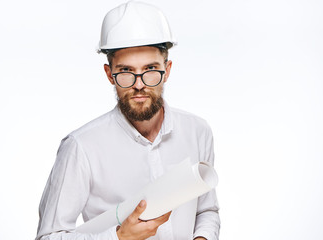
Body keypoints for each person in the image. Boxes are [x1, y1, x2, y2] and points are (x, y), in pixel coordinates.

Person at [36, 1, 220, 240]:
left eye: (151, 68)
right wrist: (119, 237)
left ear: (168, 69)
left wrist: (202, 237)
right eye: (126, 71)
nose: (139, 84)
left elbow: (206, 210)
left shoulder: (197, 131)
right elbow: (48, 237)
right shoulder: (80, 147)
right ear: (109, 74)